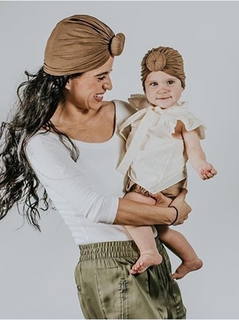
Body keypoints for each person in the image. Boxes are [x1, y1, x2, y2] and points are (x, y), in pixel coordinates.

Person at [0, 15, 192, 319]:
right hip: (110, 267)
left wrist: (178, 197)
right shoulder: (43, 143)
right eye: (100, 76)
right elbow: (97, 207)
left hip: (154, 252)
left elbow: (164, 159)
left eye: (110, 74)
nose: (110, 85)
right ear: (67, 78)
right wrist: (172, 213)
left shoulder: (123, 112)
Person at [116, 46, 217, 280]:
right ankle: (191, 259)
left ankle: (149, 252)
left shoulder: (183, 118)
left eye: (170, 83)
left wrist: (201, 165)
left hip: (163, 183)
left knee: (127, 213)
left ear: (182, 86)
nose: (162, 90)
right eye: (154, 84)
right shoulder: (142, 114)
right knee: (161, 230)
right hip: (144, 180)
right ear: (145, 88)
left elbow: (193, 148)